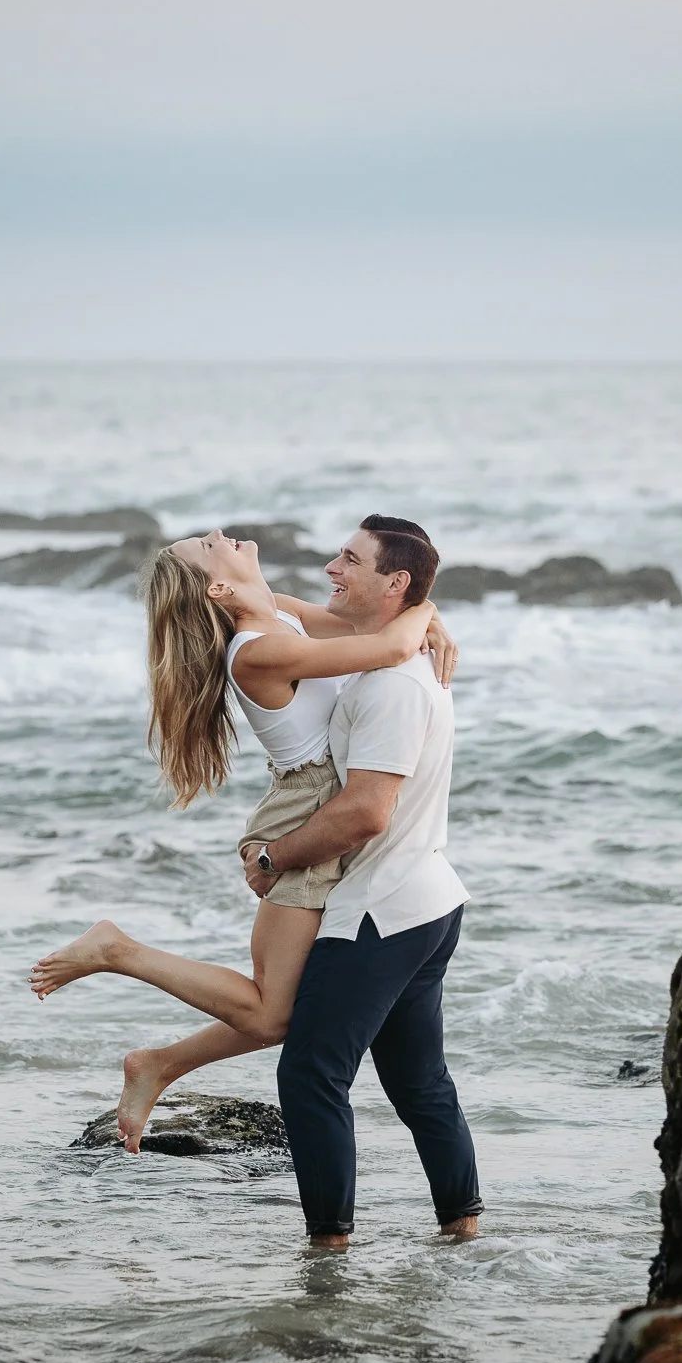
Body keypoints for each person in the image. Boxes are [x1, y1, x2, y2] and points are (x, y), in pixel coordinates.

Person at [28, 522, 457, 1151]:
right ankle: (117, 953)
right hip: (303, 818)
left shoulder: (282, 621)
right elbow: (391, 649)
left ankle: (161, 1063)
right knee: (270, 1012)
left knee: (281, 1010)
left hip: (316, 810)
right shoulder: (257, 651)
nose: (221, 535)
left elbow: (372, 626)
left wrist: (422, 605)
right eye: (207, 546)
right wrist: (424, 610)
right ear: (219, 587)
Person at [243, 517, 481, 1249]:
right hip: (428, 897)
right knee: (418, 1082)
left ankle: (328, 1248)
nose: (330, 567)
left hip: (382, 908)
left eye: (350, 558)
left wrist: (272, 857)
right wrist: (427, 615)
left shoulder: (393, 688)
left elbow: (365, 811)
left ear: (394, 583)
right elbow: (284, 608)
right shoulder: (375, 657)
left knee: (311, 1074)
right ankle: (462, 1227)